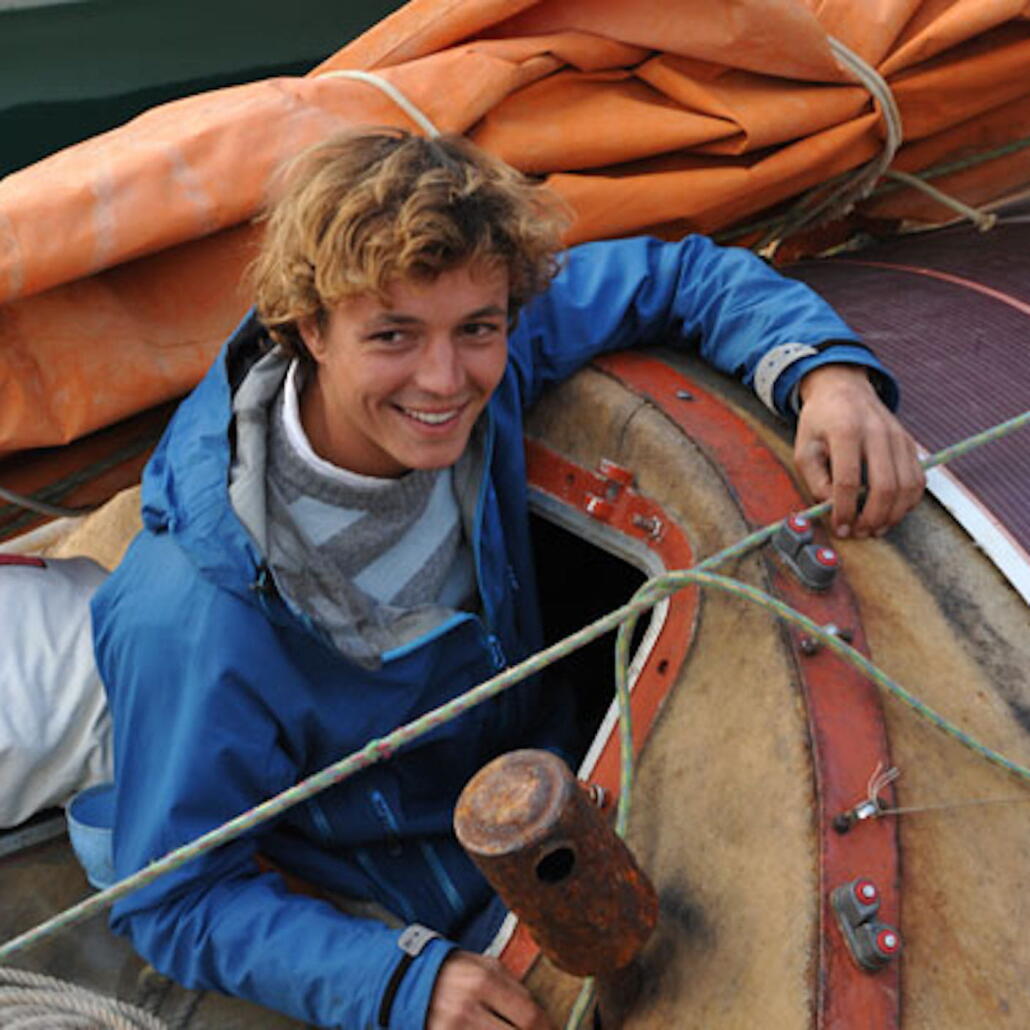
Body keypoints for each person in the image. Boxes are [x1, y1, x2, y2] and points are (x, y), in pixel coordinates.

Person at [92, 128, 924, 1030]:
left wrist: (825, 374)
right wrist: (399, 982)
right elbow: (171, 896)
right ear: (310, 330)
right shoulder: (197, 616)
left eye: (477, 331)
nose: (444, 380)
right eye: (392, 336)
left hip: (558, 772)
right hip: (394, 894)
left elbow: (682, 277)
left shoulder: (488, 345)